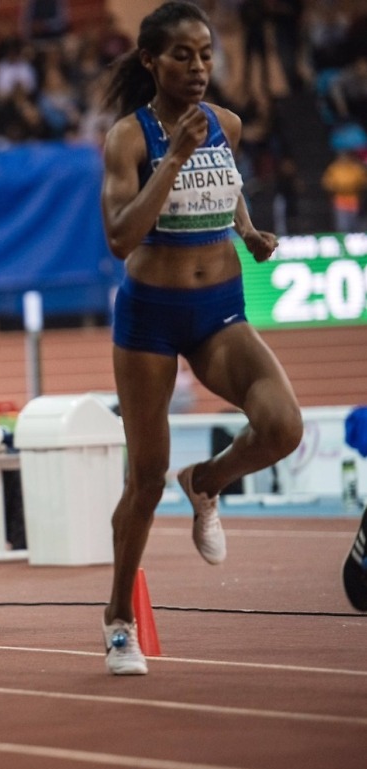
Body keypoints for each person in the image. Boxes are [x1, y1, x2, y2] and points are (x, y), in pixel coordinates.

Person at [98, 2, 302, 675]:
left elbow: (228, 187)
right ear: (151, 60)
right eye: (183, 55)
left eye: (207, 55)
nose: (198, 68)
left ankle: (208, 480)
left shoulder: (229, 125)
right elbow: (121, 236)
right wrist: (174, 156)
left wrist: (245, 230)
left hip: (220, 305)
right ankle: (119, 619)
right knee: (146, 479)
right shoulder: (128, 139)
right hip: (150, 317)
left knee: (283, 427)